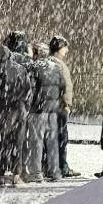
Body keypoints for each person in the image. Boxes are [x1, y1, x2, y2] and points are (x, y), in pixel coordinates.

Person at [0, 31, 32, 187]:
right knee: (17, 143)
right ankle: (16, 175)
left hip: (0, 112)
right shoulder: (20, 69)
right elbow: (27, 92)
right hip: (18, 111)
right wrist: (24, 108)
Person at [28, 42, 66, 181]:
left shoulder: (34, 67)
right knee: (52, 142)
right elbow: (62, 86)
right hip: (53, 110)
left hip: (38, 109)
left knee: (36, 141)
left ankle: (36, 173)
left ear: (37, 54)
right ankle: (55, 171)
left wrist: (31, 104)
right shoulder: (56, 67)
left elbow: (31, 88)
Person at [49, 35, 77, 178]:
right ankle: (61, 166)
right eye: (65, 47)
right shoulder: (57, 65)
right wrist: (66, 104)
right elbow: (62, 86)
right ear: (59, 48)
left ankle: (58, 166)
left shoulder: (55, 63)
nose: (66, 50)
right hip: (60, 107)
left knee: (58, 138)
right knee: (61, 138)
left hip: (58, 106)